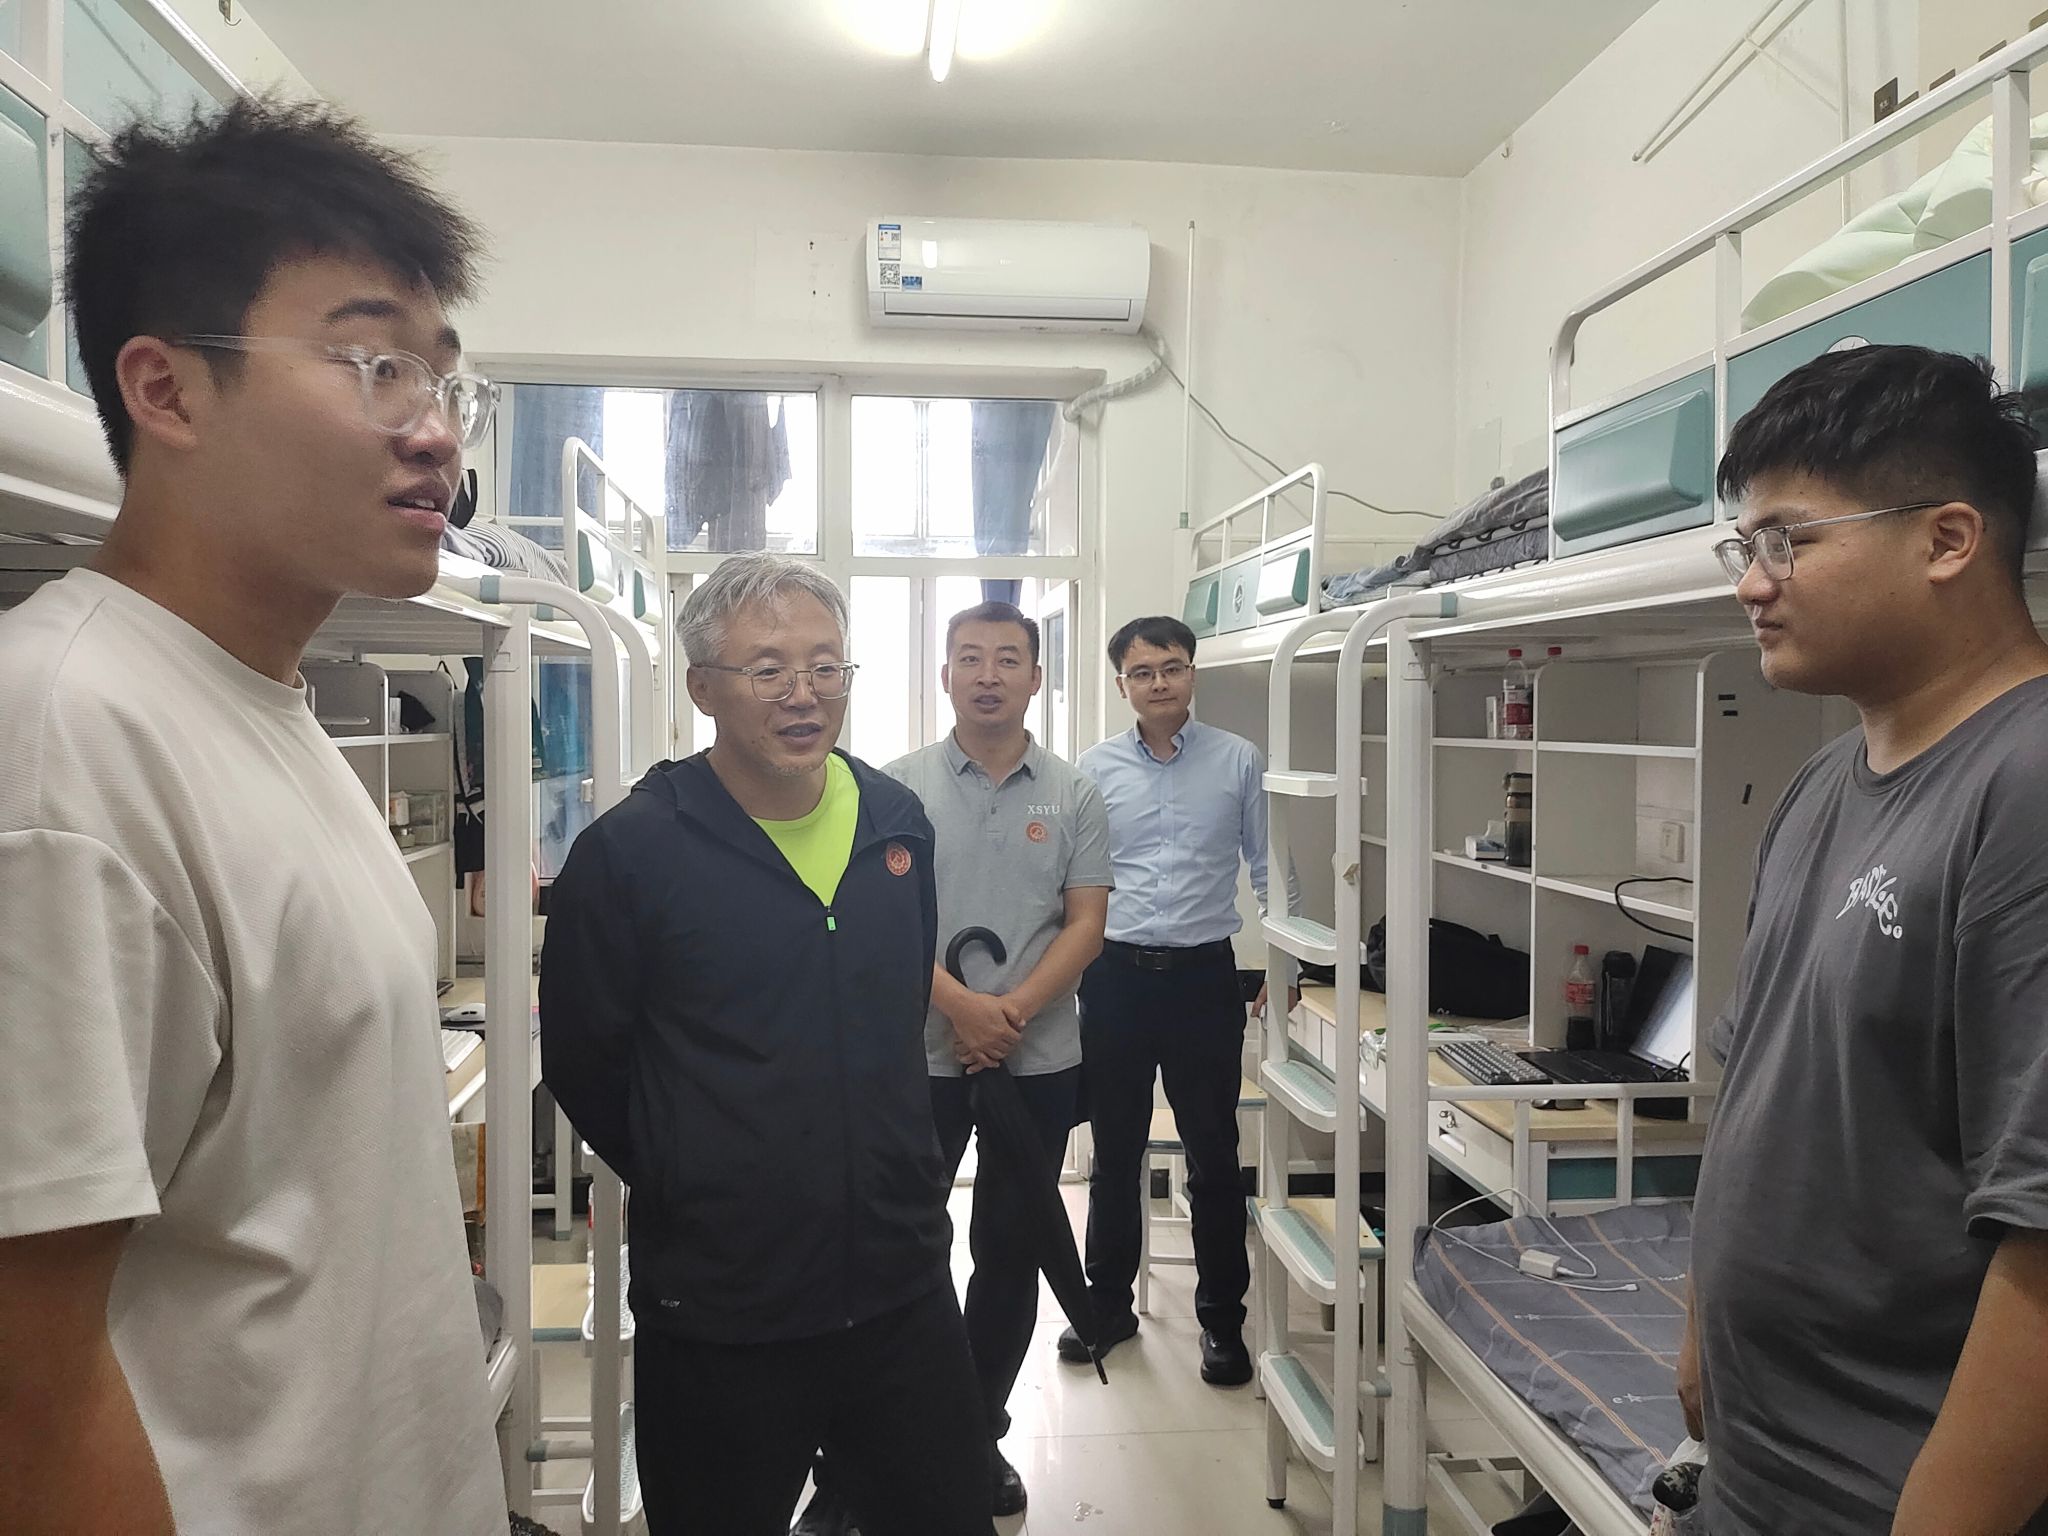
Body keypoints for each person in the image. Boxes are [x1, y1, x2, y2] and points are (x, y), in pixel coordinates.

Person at [0, 100, 505, 1535]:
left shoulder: (260, 706)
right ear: (166, 391)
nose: (436, 433)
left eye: (445, 378)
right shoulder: (63, 747)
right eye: (375, 363)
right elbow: (31, 1402)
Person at [540, 554, 993, 1536]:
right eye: (768, 668)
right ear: (701, 687)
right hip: (722, 1306)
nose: (804, 693)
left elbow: (895, 1011)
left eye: (826, 666)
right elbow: (583, 1058)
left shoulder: (893, 824)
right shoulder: (632, 853)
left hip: (899, 1282)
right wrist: (695, 1172)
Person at [1688, 344, 2048, 1535]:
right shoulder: (1819, 784)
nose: (1751, 585)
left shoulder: (2026, 786)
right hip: (1757, 1473)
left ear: (1946, 540)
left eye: (1786, 542)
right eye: (1743, 548)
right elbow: (1756, 1087)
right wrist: (1700, 1329)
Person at [818, 600, 1108, 1524]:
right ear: (943, 675)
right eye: (970, 658)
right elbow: (872, 924)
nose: (989, 675)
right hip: (915, 1060)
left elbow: (1086, 924)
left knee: (1009, 1253)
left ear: (1035, 678)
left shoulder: (1073, 793)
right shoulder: (891, 788)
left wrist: (1010, 1013)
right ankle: (860, 1459)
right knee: (892, 1251)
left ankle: (976, 1435)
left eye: (1008, 659)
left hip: (1038, 1059)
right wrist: (961, 1007)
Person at [1062, 615, 1299, 1386]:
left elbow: (1270, 866)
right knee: (1114, 1152)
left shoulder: (1238, 760)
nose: (1158, 682)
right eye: (1142, 672)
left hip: (1204, 980)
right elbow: (1073, 878)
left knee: (1214, 1157)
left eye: (1171, 667)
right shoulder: (1092, 770)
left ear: (1192, 672)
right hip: (1115, 977)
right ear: (1122, 684)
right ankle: (1106, 1308)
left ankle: (1222, 1323)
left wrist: (1285, 965)